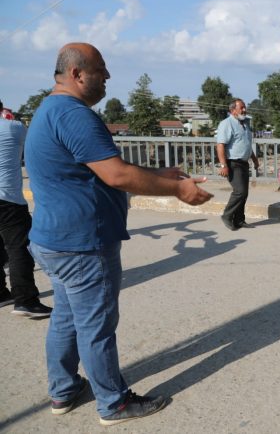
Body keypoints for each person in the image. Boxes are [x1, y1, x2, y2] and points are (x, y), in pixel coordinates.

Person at [24, 42, 213, 426]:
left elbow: (99, 169)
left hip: (53, 241)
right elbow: (116, 175)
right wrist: (178, 189)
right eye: (101, 69)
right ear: (77, 74)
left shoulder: (50, 109)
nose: (108, 76)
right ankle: (114, 403)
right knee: (96, 326)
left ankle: (63, 389)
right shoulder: (75, 115)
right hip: (82, 244)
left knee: (66, 318)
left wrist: (158, 174)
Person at [0, 104, 52, 317]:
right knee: (19, 248)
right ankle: (25, 301)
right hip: (7, 200)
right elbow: (39, 143)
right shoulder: (13, 127)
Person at [216, 99, 259, 230]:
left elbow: (246, 145)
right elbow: (220, 145)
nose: (244, 110)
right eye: (241, 108)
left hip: (244, 163)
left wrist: (254, 159)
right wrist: (223, 166)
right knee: (240, 191)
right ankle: (227, 215)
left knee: (244, 193)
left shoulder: (245, 124)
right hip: (233, 163)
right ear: (233, 110)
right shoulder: (226, 124)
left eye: (245, 107)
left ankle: (239, 220)